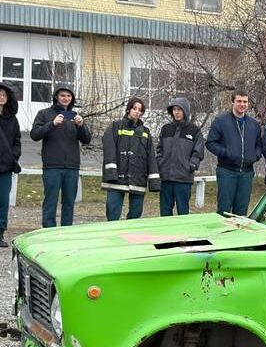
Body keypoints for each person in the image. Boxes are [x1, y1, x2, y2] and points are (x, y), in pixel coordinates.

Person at [30, 85, 92, 228]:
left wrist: (81, 125)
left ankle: (66, 231)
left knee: (69, 202)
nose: (66, 98)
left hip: (72, 166)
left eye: (69, 96)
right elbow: (34, 135)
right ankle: (48, 230)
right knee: (50, 201)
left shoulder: (75, 116)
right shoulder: (44, 114)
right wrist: (52, 124)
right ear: (56, 97)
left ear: (72, 99)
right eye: (63, 95)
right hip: (52, 166)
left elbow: (86, 139)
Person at [101, 97, 159, 220]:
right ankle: (112, 235)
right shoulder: (115, 127)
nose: (137, 112)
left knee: (136, 213)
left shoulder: (145, 132)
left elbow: (151, 157)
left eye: (140, 110)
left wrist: (154, 182)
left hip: (138, 179)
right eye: (134, 108)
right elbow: (109, 150)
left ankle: (129, 237)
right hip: (116, 179)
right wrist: (111, 174)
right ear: (128, 109)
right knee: (112, 211)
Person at [206, 91, 263, 216]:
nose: (242, 104)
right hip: (227, 171)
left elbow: (259, 145)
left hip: (246, 173)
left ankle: (238, 234)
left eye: (245, 102)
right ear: (233, 102)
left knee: (241, 211)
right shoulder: (221, 121)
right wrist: (227, 153)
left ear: (248, 104)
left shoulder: (254, 124)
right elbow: (210, 143)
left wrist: (255, 156)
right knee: (224, 210)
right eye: (239, 101)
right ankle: (223, 234)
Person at [157, 97, 205, 216]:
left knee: (183, 212)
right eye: (174, 109)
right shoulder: (166, 129)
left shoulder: (194, 130)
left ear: (185, 111)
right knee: (165, 212)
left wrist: (191, 166)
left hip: (183, 178)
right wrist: (160, 163)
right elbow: (159, 149)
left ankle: (182, 235)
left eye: (179, 109)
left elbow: (198, 151)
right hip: (166, 177)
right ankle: (166, 235)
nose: (176, 112)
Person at [0, 83, 21, 246]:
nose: (1, 96)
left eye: (4, 95)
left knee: (3, 201)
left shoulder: (12, 120)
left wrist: (14, 156)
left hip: (5, 167)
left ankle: (0, 232)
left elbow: (17, 141)